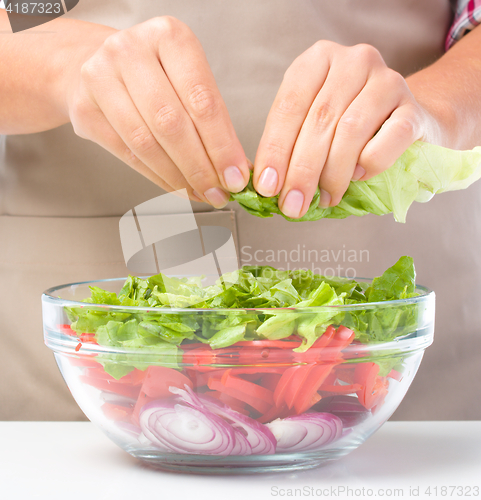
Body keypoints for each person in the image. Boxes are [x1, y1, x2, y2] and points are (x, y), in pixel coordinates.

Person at [1, 0, 481, 421]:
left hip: (399, 381)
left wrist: (436, 109)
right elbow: (19, 12)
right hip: (82, 386)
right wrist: (60, 64)